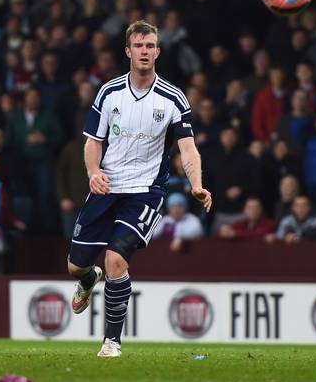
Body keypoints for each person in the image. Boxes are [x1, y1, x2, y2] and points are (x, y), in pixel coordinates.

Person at [68, 20, 212, 358]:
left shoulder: (174, 98)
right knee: (75, 266)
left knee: (116, 260)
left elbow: (188, 148)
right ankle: (89, 280)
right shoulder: (109, 92)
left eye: (150, 46)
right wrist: (92, 172)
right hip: (106, 188)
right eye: (139, 45)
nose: (144, 51)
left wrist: (197, 184)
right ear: (128, 51)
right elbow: (93, 142)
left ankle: (111, 342)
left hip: (146, 191)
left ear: (158, 51)